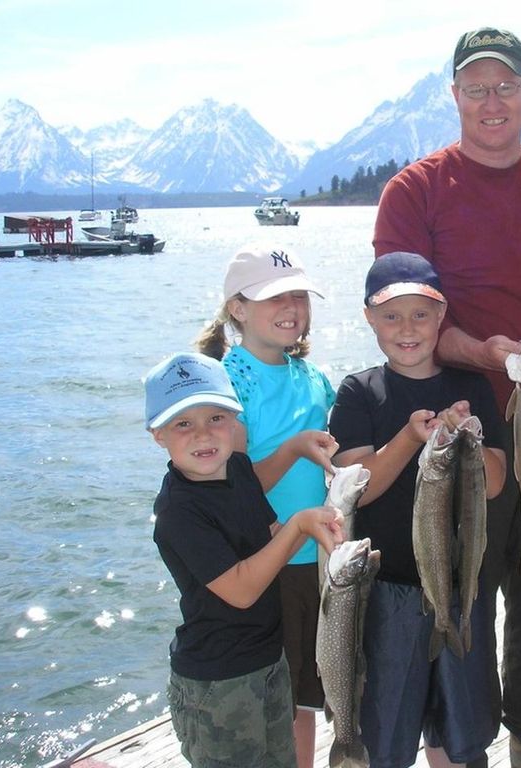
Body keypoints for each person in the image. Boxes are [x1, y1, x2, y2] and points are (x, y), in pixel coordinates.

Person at [372, 26, 521, 768]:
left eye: (506, 85)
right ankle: (463, 741)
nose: (492, 100)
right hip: (457, 427)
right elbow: (408, 318)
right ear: (455, 97)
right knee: (459, 587)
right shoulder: (414, 190)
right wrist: (491, 355)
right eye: (476, 87)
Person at [328, 252, 508, 768]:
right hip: (387, 594)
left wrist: (469, 441)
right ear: (369, 318)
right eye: (391, 316)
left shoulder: (471, 386)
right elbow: (358, 487)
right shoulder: (359, 392)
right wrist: (410, 437)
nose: (407, 329)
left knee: (461, 734)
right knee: (385, 733)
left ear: (442, 314)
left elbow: (494, 485)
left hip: (461, 589)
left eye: (421, 314)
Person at [145, 352, 343, 768]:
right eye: (183, 424)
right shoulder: (179, 512)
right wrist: (301, 526)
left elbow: (270, 534)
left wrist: (327, 533)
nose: (203, 434)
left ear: (236, 421)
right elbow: (240, 589)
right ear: (158, 434)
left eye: (216, 418)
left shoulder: (238, 468)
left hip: (269, 658)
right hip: (217, 680)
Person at [196, 245, 339, 768]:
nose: (292, 307)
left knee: (303, 691)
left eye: (299, 295)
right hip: (268, 562)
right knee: (271, 694)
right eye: (274, 296)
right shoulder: (227, 384)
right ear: (237, 308)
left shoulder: (313, 376)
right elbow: (233, 487)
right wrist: (295, 448)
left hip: (319, 562)